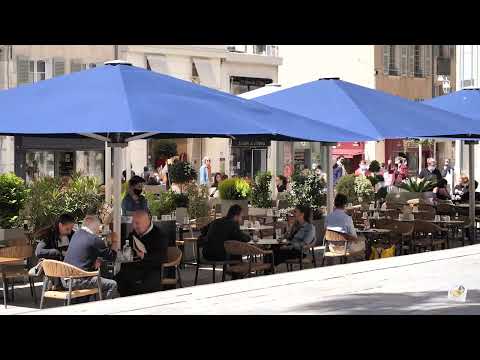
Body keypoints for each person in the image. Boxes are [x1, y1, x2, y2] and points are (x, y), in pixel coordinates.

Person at [63, 215, 118, 299]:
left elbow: (83, 252)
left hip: (65, 279)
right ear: (91, 224)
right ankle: (103, 309)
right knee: (112, 284)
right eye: (98, 226)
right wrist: (115, 241)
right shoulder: (94, 239)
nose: (99, 229)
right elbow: (112, 257)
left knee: (96, 277)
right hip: (79, 280)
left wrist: (96, 259)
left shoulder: (76, 234)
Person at [116, 210, 169, 296]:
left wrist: (144, 255)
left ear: (147, 222)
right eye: (133, 223)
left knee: (137, 285)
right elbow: (127, 245)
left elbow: (161, 257)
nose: (134, 226)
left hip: (154, 269)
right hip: (137, 267)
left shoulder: (159, 235)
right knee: (118, 277)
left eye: (137, 223)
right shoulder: (135, 232)